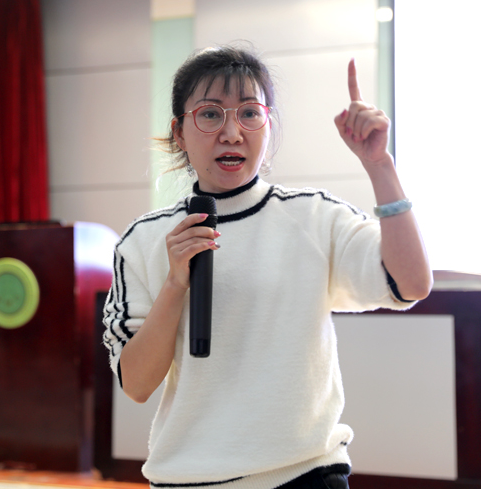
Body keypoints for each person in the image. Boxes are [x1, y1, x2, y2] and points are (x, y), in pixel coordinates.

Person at [103, 45, 432, 489]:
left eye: (249, 114)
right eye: (210, 114)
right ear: (179, 132)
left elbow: (411, 284)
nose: (232, 133)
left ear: (268, 125)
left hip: (305, 474)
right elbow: (137, 385)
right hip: (190, 479)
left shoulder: (314, 216)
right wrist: (175, 284)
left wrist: (379, 165)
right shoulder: (143, 241)